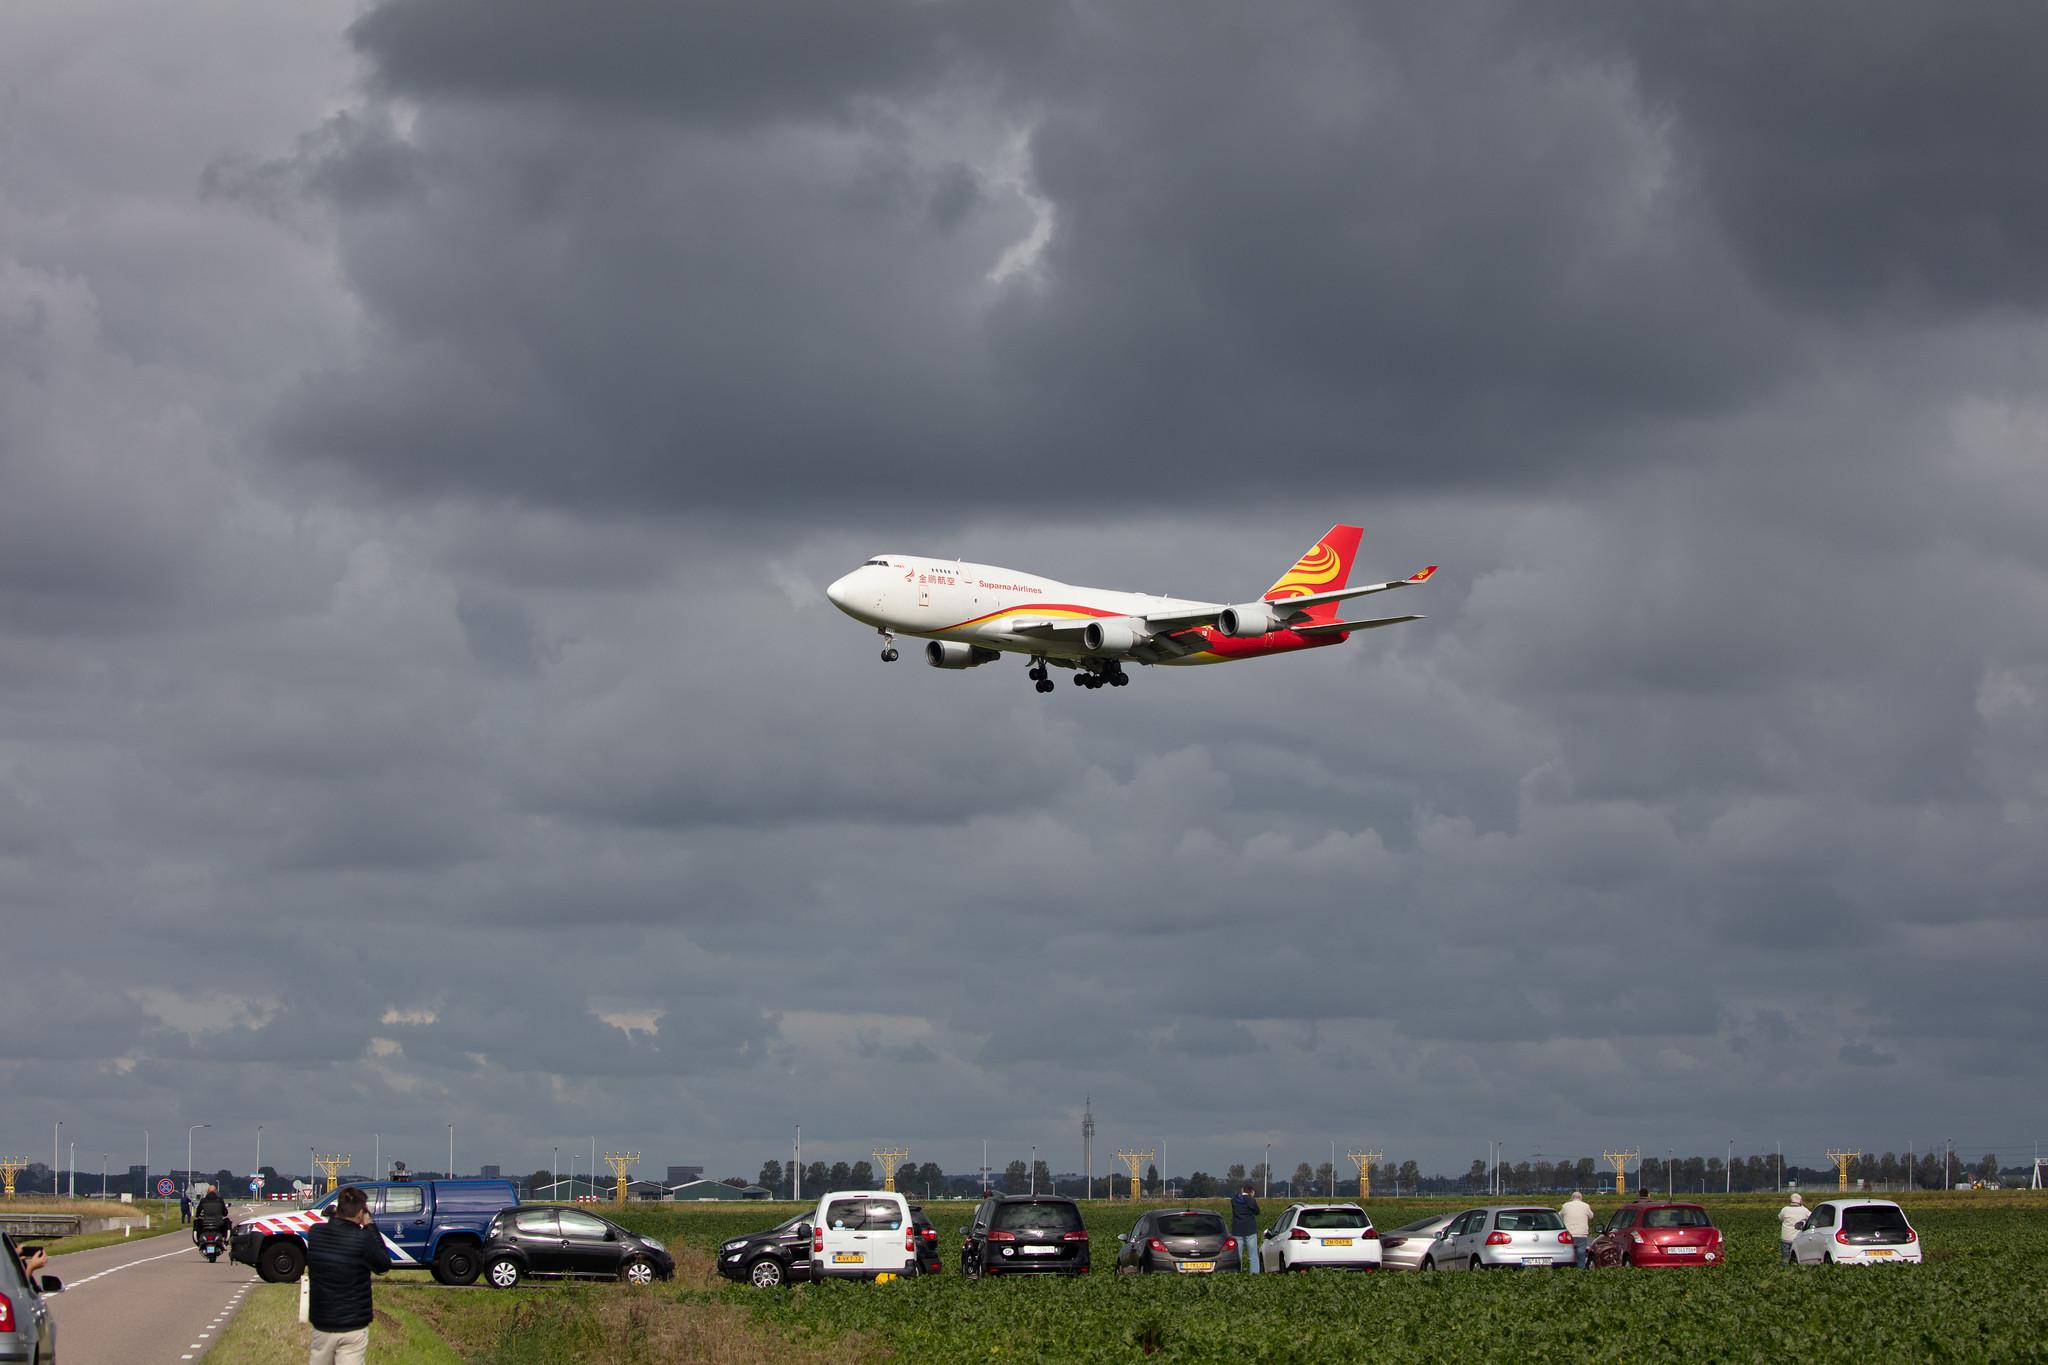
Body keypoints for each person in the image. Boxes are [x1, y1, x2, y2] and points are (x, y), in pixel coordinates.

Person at [306, 1185, 391, 1365]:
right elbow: (383, 1264)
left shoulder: (315, 1233)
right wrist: (370, 1226)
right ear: (361, 1212)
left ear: (338, 1209)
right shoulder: (363, 1238)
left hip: (323, 1322)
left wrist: (334, 1217)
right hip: (353, 1324)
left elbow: (334, 1234)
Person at [1229, 1183, 1262, 1273]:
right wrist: (1252, 1197)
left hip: (1237, 1230)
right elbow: (1257, 1211)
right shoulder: (1251, 1200)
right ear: (1251, 1191)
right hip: (1250, 1229)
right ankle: (1254, 1273)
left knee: (1237, 1255)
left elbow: (1235, 1198)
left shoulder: (1234, 1200)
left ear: (1242, 1190)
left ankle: (1237, 1272)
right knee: (1253, 1255)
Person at [1559, 1190, 1595, 1268]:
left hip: (1569, 1235)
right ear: (1581, 1198)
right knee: (1581, 1255)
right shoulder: (1586, 1206)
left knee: (1568, 1254)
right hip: (1581, 1234)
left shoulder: (1565, 1205)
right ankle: (1580, 1270)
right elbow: (1591, 1216)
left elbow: (1559, 1216)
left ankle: (1569, 1269)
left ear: (1572, 1198)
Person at [1777, 1191, 1806, 1263]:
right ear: (1800, 1201)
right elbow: (1811, 1217)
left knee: (1785, 1259)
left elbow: (1780, 1218)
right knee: (1797, 1259)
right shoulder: (1804, 1210)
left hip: (1785, 1238)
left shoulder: (1785, 1209)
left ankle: (1784, 1268)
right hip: (1797, 1239)